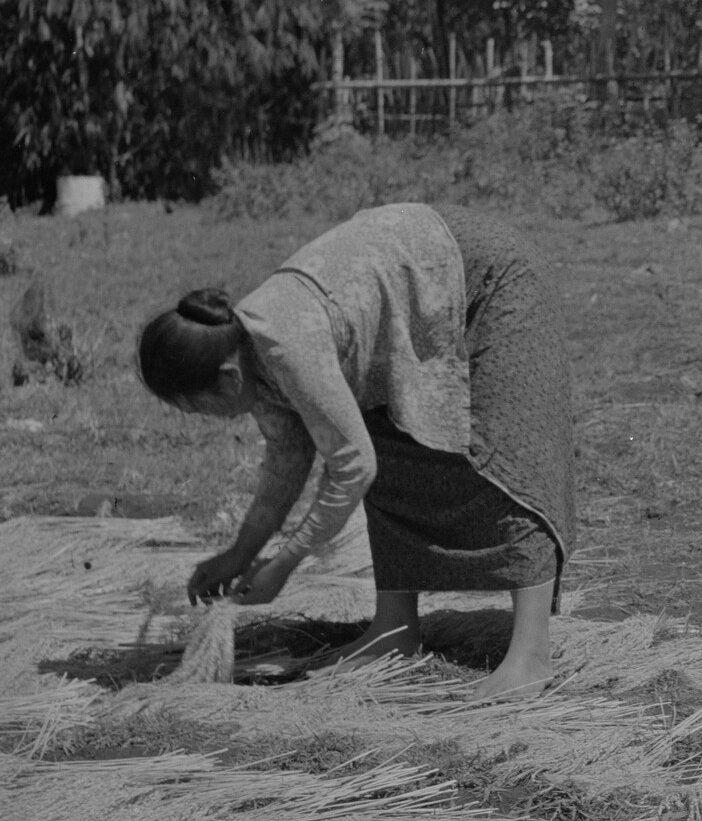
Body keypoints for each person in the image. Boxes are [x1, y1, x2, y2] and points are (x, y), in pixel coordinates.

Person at [137, 203, 575, 698]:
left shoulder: (284, 345)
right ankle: (393, 633)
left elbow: (351, 466)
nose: (203, 419)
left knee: (506, 455)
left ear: (227, 378)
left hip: (492, 280)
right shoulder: (249, 356)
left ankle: (531, 654)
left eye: (197, 407)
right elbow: (287, 461)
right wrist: (240, 554)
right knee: (390, 443)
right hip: (423, 282)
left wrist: (284, 564)